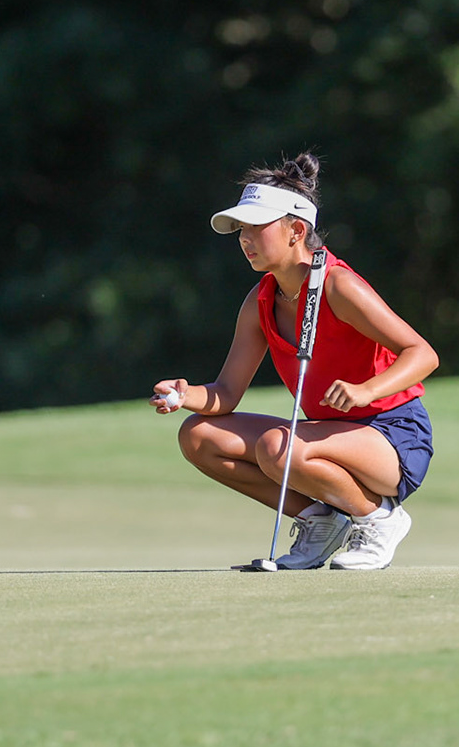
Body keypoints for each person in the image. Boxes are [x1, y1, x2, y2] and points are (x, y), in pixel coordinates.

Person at [153, 154, 438, 570]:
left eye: (256, 227)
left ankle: (379, 519)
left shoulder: (339, 285)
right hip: (326, 436)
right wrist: (185, 394)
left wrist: (366, 391)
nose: (245, 238)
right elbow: (226, 393)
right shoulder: (259, 301)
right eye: (241, 230)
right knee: (198, 436)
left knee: (277, 447)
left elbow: (422, 353)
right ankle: (320, 521)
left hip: (394, 436)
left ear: (297, 231)